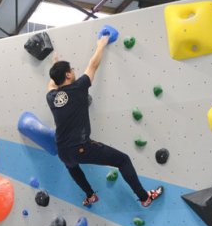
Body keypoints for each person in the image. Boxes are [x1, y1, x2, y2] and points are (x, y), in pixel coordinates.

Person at [47, 34, 164, 208]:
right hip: (81, 148)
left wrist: (55, 66)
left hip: (62, 150)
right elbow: (93, 65)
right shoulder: (78, 88)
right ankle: (144, 197)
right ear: (68, 75)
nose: (74, 71)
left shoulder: (51, 97)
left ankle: (90, 195)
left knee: (72, 166)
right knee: (123, 160)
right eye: (72, 69)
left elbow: (51, 84)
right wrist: (101, 44)